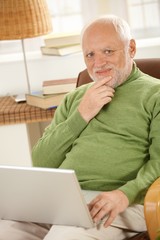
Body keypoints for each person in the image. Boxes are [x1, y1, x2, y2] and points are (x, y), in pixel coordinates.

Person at [0, 14, 160, 240]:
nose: (98, 63)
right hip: (65, 201)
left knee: (64, 236)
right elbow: (42, 162)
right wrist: (81, 114)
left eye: (108, 51)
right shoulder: (75, 98)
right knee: (4, 229)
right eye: (90, 55)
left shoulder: (155, 94)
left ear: (131, 48)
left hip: (122, 201)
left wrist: (124, 194)